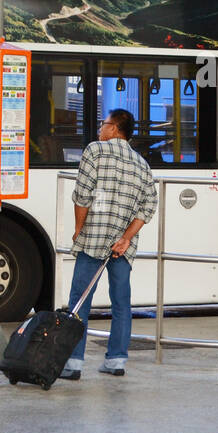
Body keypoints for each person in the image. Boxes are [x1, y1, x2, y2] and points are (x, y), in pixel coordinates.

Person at [64, 108, 158, 379]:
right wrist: (126, 238)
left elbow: (83, 195)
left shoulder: (95, 151)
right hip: (121, 247)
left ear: (115, 128)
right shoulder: (142, 164)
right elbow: (149, 205)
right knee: (121, 303)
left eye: (103, 124)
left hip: (93, 238)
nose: (99, 129)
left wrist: (79, 229)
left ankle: (73, 363)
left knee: (80, 300)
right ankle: (116, 361)